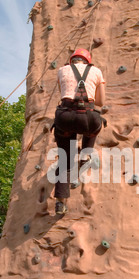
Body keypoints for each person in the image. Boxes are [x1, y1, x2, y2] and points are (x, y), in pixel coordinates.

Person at [53, 48, 106, 215]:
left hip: (65, 117)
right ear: (88, 61)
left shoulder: (62, 70)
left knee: (65, 159)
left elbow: (63, 93)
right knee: (94, 128)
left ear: (71, 61)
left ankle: (61, 202)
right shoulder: (96, 71)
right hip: (88, 117)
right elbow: (100, 102)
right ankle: (85, 153)